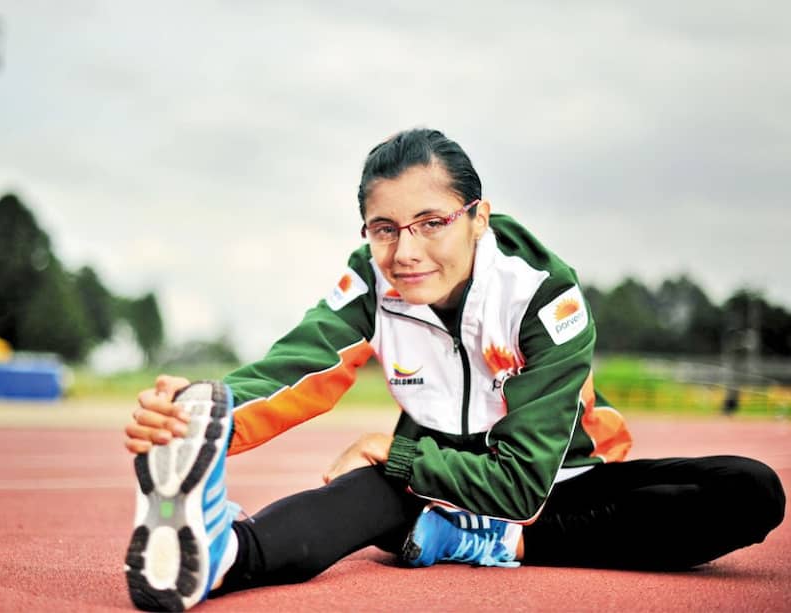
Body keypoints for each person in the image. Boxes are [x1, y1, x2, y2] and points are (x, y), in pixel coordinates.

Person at [123, 129, 785, 611]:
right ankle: (217, 555)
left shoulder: (541, 291)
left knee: (748, 489)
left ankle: (487, 543)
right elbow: (297, 365)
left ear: (478, 217)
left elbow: (525, 481)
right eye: (383, 228)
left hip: (564, 483)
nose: (405, 250)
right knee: (370, 492)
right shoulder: (371, 278)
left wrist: (401, 452)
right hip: (439, 478)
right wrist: (199, 412)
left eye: (430, 222)